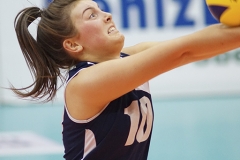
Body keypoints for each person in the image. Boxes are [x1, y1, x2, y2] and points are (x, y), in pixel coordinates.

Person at [12, 0, 240, 159]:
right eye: (92, 15)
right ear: (73, 44)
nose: (107, 15)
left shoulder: (129, 57)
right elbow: (183, 51)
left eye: (100, 9)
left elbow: (196, 47)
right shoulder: (85, 83)